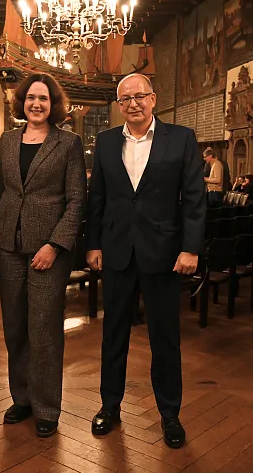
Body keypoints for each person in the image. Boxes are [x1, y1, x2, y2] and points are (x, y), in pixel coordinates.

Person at [86, 73, 205, 449]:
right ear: (118, 105)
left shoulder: (181, 138)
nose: (133, 103)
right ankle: (110, 406)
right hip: (118, 251)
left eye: (139, 96)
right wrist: (93, 245)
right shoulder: (105, 142)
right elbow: (97, 199)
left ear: (154, 99)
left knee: (165, 338)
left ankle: (170, 414)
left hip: (165, 254)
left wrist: (191, 248)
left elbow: (194, 198)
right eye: (125, 99)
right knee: (113, 335)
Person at [0, 73, 86, 438]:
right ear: (22, 102)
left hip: (48, 250)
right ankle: (22, 398)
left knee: (43, 329)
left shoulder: (68, 143)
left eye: (44, 99)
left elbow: (77, 200)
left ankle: (47, 406)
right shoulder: (9, 141)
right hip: (8, 246)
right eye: (31, 98)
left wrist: (55, 245)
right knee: (15, 326)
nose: (37, 104)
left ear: (53, 104)